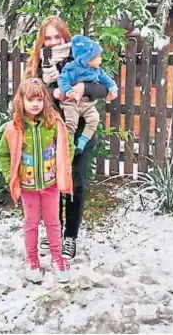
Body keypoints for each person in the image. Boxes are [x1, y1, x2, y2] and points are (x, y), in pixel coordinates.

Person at [24, 16, 109, 260]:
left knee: (75, 185)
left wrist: (82, 88)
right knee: (51, 185)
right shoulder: (39, 65)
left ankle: (70, 235)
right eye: (47, 38)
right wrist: (54, 92)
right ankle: (53, 231)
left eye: (57, 37)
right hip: (50, 134)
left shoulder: (80, 58)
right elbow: (32, 94)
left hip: (80, 132)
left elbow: (102, 87)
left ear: (65, 36)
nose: (52, 42)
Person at [0, 78, 74, 283]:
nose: (35, 104)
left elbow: (68, 149)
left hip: (51, 186)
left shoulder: (54, 124)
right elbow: (3, 155)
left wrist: (62, 169)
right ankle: (32, 259)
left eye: (39, 99)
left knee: (53, 222)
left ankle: (57, 259)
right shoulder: (14, 128)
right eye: (30, 99)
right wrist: (10, 176)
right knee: (31, 223)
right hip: (27, 187)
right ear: (21, 101)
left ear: (45, 101)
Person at [58, 35, 118, 155]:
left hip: (88, 104)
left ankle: (82, 143)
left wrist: (113, 89)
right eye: (98, 57)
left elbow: (106, 80)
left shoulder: (97, 70)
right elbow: (62, 81)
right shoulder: (71, 68)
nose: (101, 59)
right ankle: (69, 145)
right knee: (71, 122)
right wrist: (69, 91)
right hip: (72, 102)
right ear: (87, 58)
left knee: (94, 119)